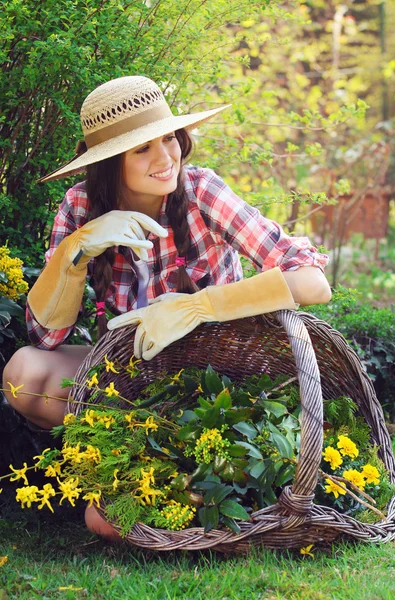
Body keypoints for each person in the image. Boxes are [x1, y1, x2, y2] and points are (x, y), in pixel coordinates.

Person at [3, 75, 331, 540]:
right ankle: (130, 459)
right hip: (130, 382)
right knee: (23, 376)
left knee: (103, 522)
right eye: (142, 149)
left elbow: (314, 282)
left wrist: (199, 307)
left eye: (169, 138)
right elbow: (46, 337)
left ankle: (194, 489)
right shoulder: (79, 206)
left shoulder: (201, 192)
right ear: (109, 162)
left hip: (214, 388)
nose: (165, 157)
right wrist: (77, 251)